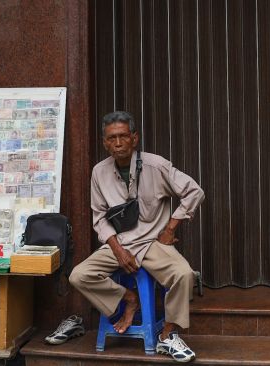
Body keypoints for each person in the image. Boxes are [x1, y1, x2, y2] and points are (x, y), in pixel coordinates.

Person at [69, 111, 204, 363]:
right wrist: (118, 250)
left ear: (134, 138)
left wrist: (170, 228)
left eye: (123, 136)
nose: (117, 143)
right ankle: (129, 299)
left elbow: (193, 191)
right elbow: (99, 217)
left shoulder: (156, 165)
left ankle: (168, 335)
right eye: (111, 138)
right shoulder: (99, 172)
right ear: (104, 142)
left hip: (152, 242)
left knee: (183, 275)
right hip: (119, 244)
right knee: (79, 275)